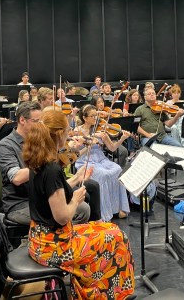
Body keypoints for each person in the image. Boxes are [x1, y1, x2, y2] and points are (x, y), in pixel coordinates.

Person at [24, 121, 135, 299]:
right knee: (117, 237)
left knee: (109, 229)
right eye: (67, 131)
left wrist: (76, 178)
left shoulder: (39, 160)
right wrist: (75, 200)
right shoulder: (51, 168)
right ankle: (107, 293)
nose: (70, 135)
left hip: (41, 237)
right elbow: (62, 217)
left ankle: (100, 290)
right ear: (58, 134)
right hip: (54, 245)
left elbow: (53, 193)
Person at [0, 102, 101, 224]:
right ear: (22, 120)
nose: (42, 126)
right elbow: (17, 178)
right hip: (20, 204)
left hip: (40, 195)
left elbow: (49, 176)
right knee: (81, 209)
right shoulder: (6, 145)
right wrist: (48, 159)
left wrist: (71, 155)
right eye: (37, 122)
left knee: (86, 195)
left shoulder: (38, 140)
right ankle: (63, 239)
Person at [74, 105, 130, 221]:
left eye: (96, 115)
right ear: (85, 118)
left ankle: (119, 207)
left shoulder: (101, 130)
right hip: (85, 160)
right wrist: (91, 137)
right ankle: (103, 213)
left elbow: (112, 148)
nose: (96, 118)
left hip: (101, 158)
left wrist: (122, 139)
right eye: (93, 116)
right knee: (103, 174)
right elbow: (76, 152)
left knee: (118, 169)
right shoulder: (77, 130)